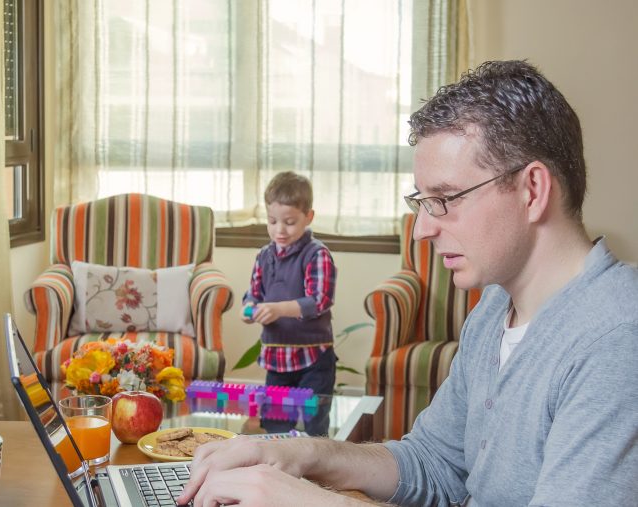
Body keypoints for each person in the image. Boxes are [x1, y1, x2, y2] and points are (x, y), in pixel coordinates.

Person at [177, 60, 638, 506]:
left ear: (532, 190)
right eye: (422, 201)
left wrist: (308, 502)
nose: (421, 229)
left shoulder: (616, 340)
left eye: (445, 198)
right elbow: (434, 462)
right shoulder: (496, 308)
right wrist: (298, 453)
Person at [241, 171, 337, 437]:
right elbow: (253, 294)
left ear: (309, 217)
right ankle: (278, 473)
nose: (279, 230)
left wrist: (279, 309)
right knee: (275, 428)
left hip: (313, 359)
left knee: (314, 426)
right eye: (272, 221)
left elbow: (319, 300)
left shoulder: (317, 254)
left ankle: (317, 475)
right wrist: (249, 310)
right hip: (277, 361)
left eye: (290, 222)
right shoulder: (264, 256)